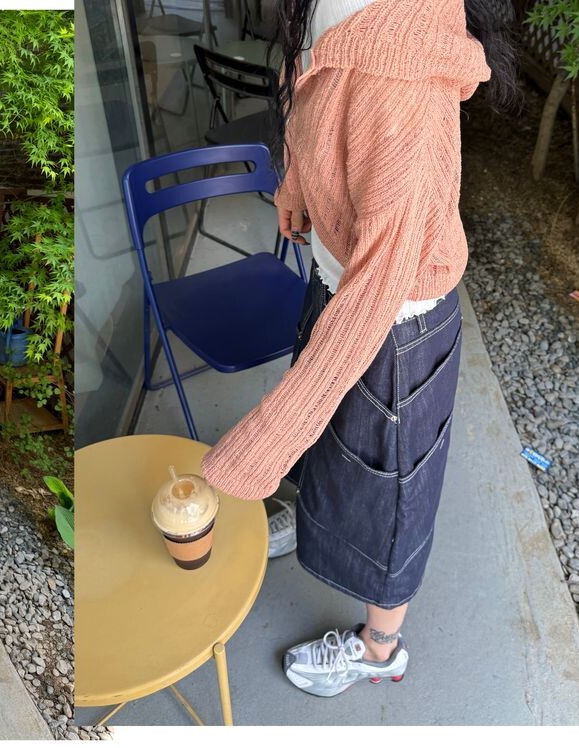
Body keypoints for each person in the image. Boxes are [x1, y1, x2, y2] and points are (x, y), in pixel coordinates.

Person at [203, 10, 517, 706]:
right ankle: (311, 511)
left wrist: (260, 446)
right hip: (339, 278)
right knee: (336, 450)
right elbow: (315, 83)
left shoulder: (401, 81)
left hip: (392, 319)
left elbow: (380, 286)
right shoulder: (340, 12)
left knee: (389, 495)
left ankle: (381, 649)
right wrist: (296, 182)